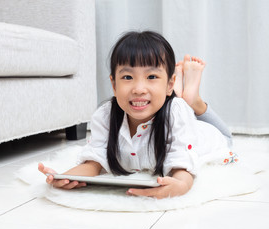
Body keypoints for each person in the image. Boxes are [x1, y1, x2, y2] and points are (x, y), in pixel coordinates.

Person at [38, 31, 232, 199]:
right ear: (114, 85)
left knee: (226, 137)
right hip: (169, 104)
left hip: (209, 134)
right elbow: (94, 160)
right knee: (171, 103)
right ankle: (182, 94)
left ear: (168, 84)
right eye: (128, 77)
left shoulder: (176, 114)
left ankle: (193, 101)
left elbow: (181, 163)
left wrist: (182, 185)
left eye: (152, 77)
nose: (139, 89)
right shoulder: (105, 115)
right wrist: (66, 176)